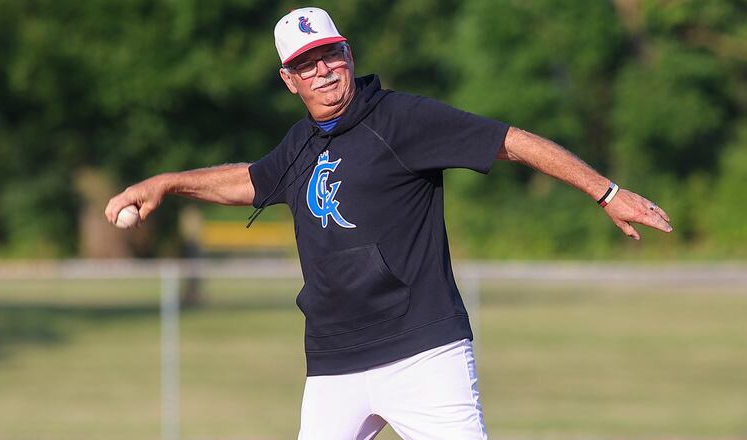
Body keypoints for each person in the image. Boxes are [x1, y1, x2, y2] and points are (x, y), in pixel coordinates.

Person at [105, 7, 673, 439]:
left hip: (423, 351)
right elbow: (251, 180)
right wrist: (166, 183)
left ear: (348, 53)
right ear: (290, 79)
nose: (323, 69)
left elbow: (509, 141)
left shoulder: (401, 119)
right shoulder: (300, 144)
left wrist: (607, 192)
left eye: (330, 54)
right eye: (307, 63)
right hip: (333, 361)